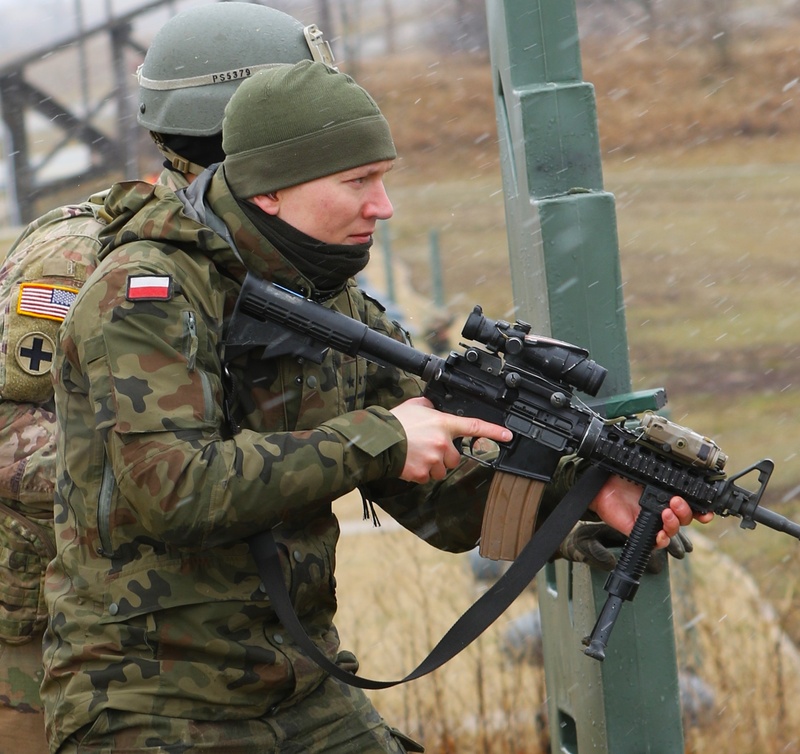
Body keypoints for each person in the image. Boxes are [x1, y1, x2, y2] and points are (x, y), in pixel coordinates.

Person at [42, 60, 708, 753]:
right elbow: (174, 489)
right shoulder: (145, 294)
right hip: (141, 696)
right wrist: (381, 435)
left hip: (297, 685)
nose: (383, 205)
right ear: (270, 191)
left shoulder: (336, 303)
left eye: (383, 178)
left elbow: (436, 501)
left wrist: (577, 494)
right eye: (358, 182)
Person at [0, 4, 338, 748]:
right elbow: (14, 442)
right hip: (44, 644)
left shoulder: (291, 265)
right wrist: (178, 455)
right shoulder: (82, 260)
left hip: (223, 650)